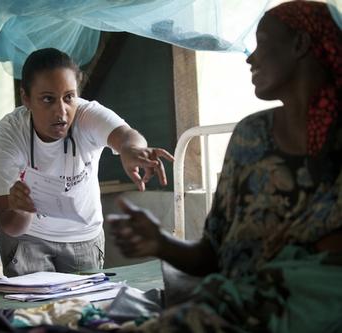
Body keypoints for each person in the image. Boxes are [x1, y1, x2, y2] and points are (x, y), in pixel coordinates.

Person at [109, 1, 342, 331]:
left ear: (301, 44)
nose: (251, 57)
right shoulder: (250, 139)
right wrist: (160, 243)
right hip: (227, 309)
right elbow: (213, 255)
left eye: (261, 42)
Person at [0, 48, 174, 277]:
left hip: (84, 237)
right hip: (28, 237)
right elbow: (11, 224)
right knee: (32, 310)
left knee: (83, 308)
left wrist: (132, 150)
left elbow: (126, 135)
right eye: (47, 99)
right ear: (25, 98)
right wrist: (22, 211)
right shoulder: (5, 136)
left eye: (69, 97)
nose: (61, 111)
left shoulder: (87, 115)